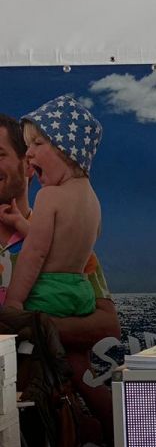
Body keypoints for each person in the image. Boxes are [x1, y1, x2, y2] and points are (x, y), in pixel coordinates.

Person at [1, 96, 102, 318]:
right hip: (81, 292)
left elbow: (35, 252)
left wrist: (14, 301)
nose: (29, 153)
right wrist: (19, 222)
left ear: (66, 151)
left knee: (26, 336)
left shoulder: (49, 196)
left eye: (37, 144)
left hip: (49, 293)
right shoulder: (93, 201)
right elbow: (55, 243)